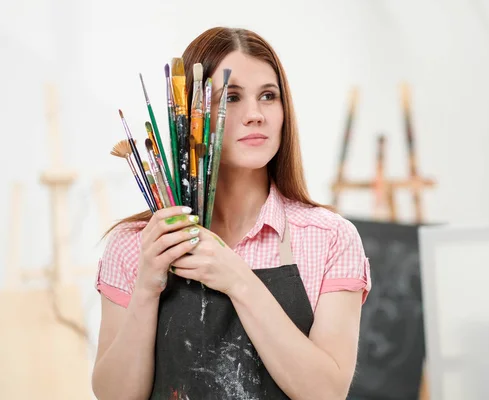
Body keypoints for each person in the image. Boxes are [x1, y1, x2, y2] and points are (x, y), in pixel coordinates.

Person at [91, 26, 371, 400]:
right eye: (232, 97)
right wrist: (146, 287)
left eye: (268, 96)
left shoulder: (330, 238)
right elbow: (115, 396)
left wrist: (238, 279)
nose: (255, 114)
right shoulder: (135, 246)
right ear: (191, 116)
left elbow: (325, 392)